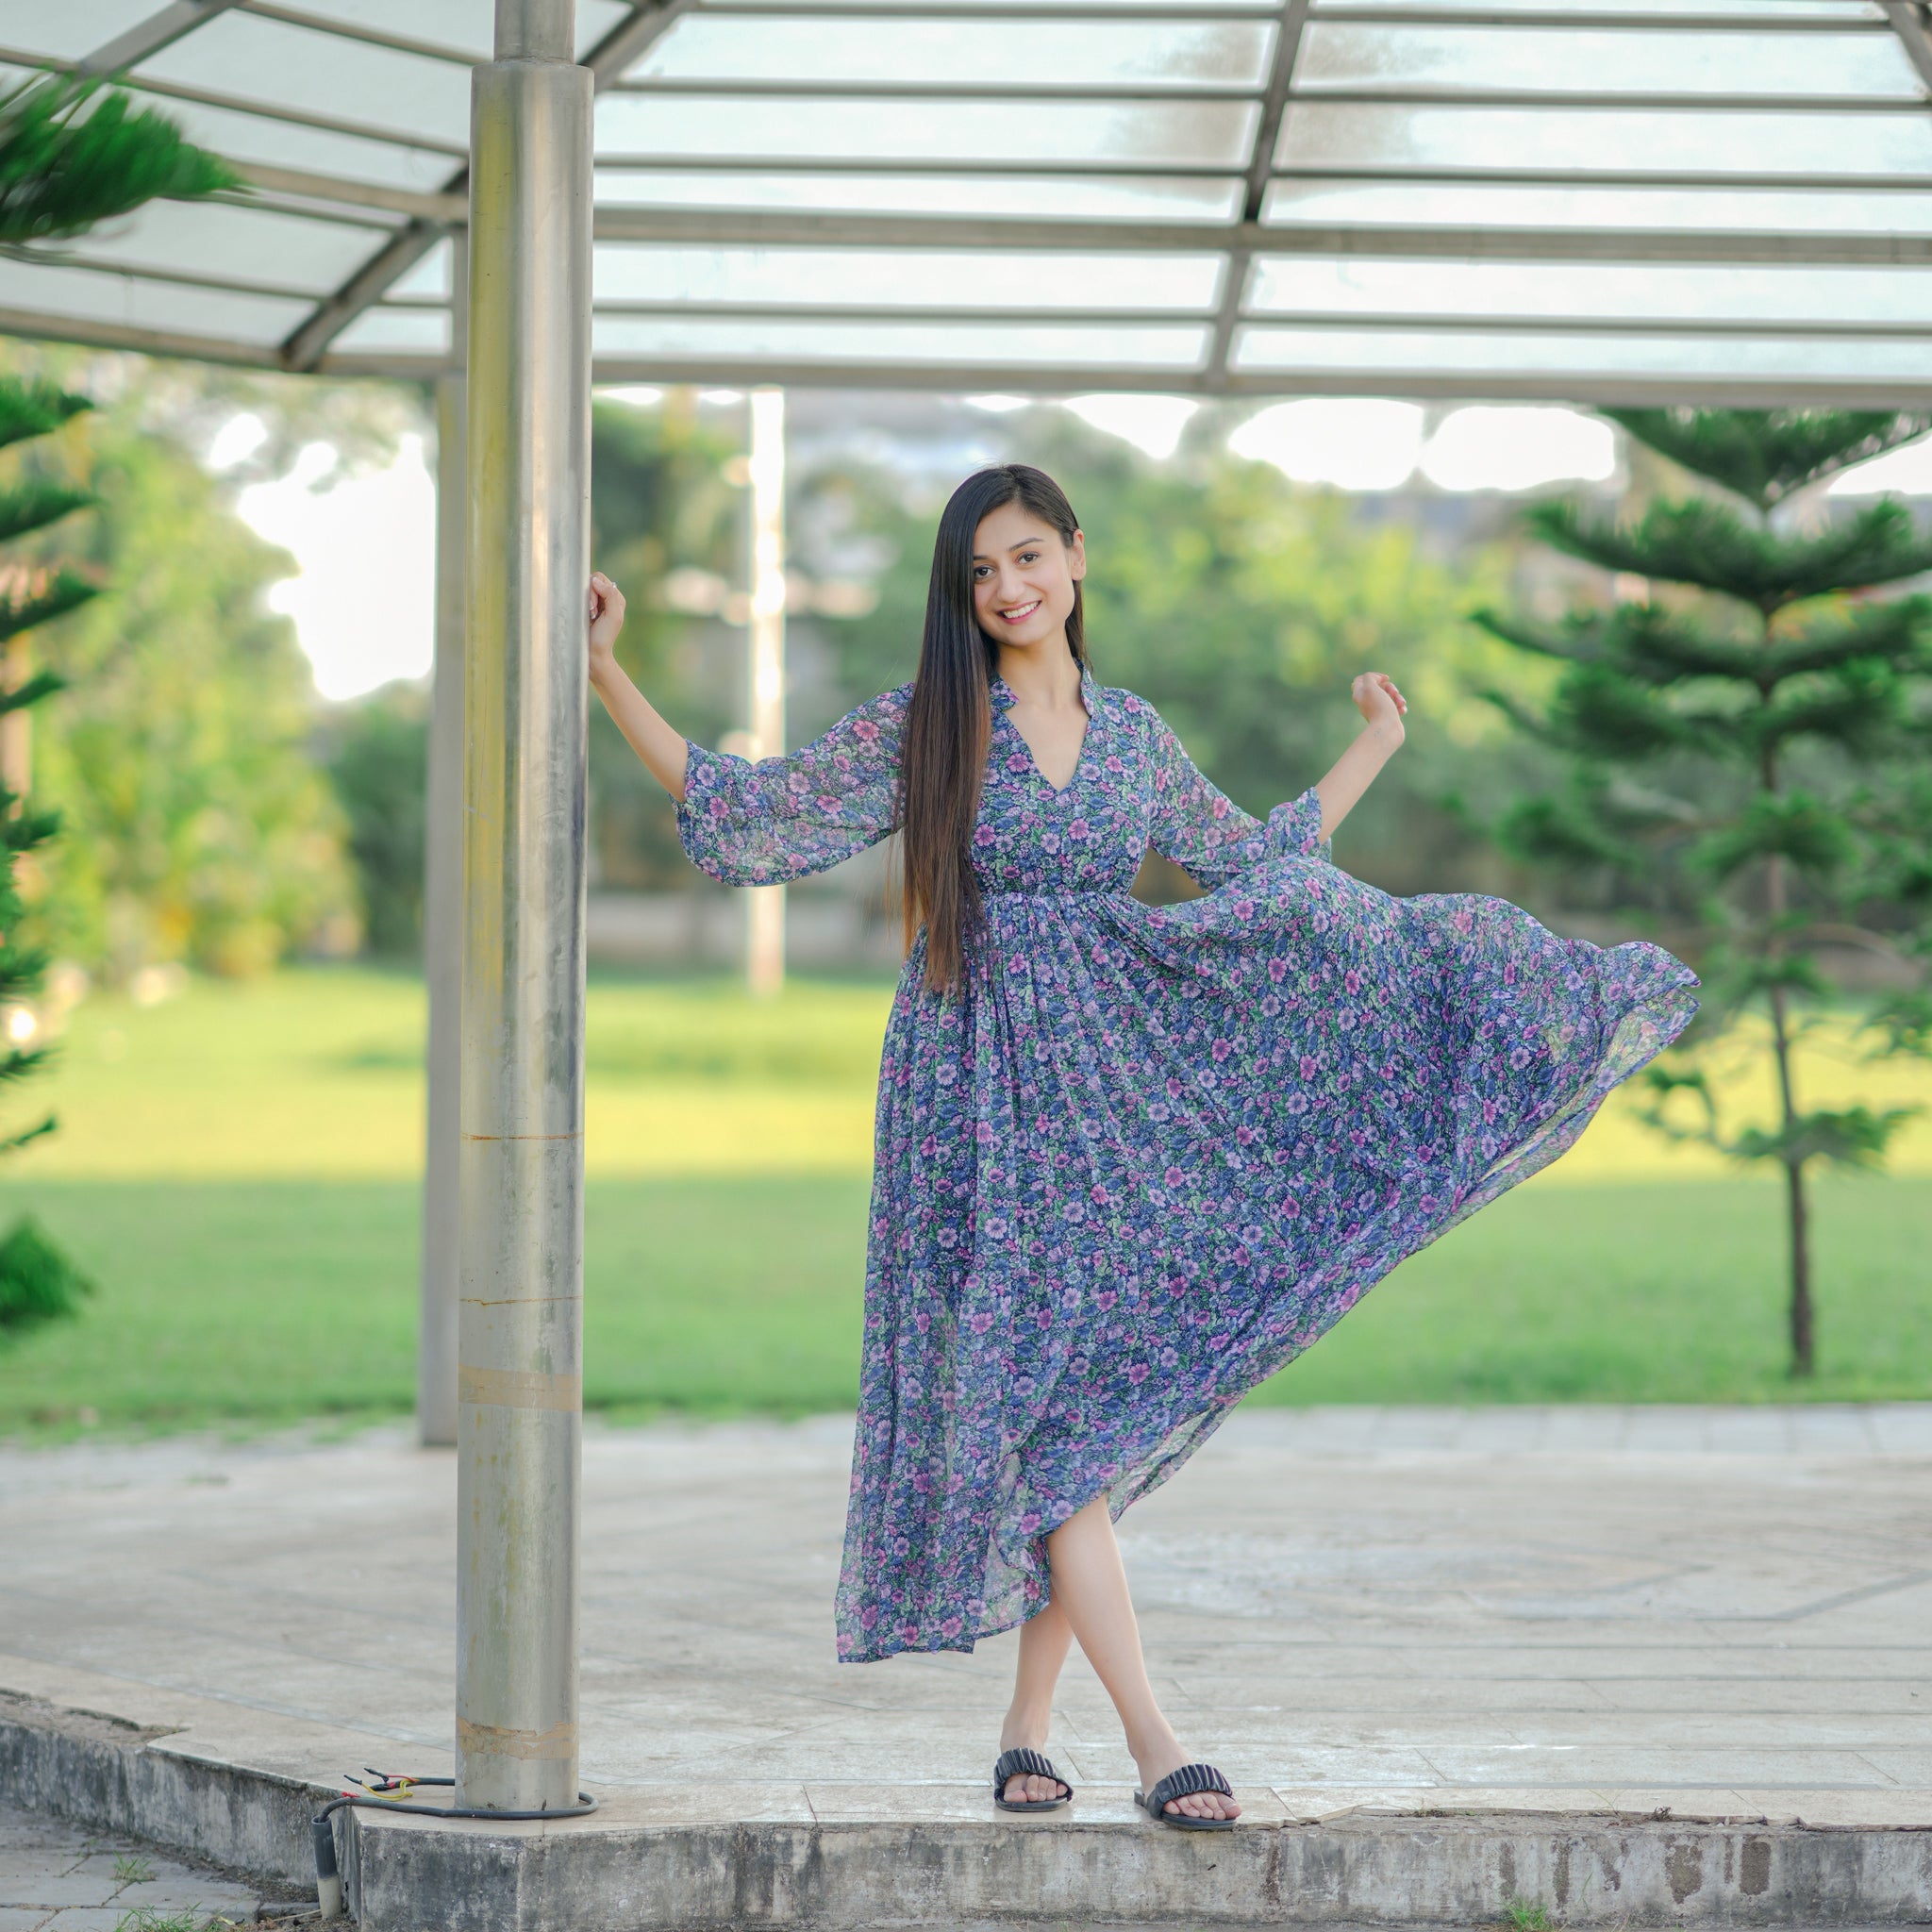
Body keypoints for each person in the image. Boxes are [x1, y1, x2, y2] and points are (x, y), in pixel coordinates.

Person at [585, 462, 1698, 1831]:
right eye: (982, 571)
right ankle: (1158, 1739)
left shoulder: (1135, 738)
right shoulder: (932, 728)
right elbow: (746, 816)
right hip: (974, 1095)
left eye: (1028, 558)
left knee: (1080, 1420)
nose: (1007, 589)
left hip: (1119, 1091)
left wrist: (1372, 748)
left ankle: (1025, 1731)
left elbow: (1251, 866)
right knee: (1050, 1419)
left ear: (1076, 560)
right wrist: (605, 673)